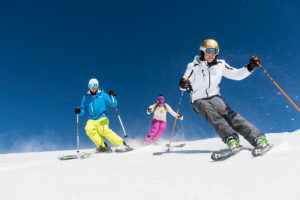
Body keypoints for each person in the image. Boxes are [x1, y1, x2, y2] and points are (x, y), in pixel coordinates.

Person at [179, 39, 270, 150]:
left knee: (229, 115)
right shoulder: (193, 65)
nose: (212, 55)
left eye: (215, 51)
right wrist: (184, 83)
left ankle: (257, 138)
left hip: (214, 95)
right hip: (198, 99)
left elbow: (236, 74)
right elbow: (185, 79)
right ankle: (231, 138)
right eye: (209, 51)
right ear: (202, 51)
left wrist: (249, 68)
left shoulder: (220, 65)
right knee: (210, 112)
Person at [75, 78, 131, 152]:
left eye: (95, 85)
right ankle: (103, 147)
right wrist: (79, 111)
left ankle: (121, 144)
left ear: (98, 86)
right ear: (88, 86)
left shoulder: (103, 95)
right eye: (91, 85)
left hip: (102, 116)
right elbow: (83, 109)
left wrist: (112, 97)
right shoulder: (86, 98)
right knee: (89, 129)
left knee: (103, 129)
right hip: (92, 118)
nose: (93, 87)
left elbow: (113, 104)